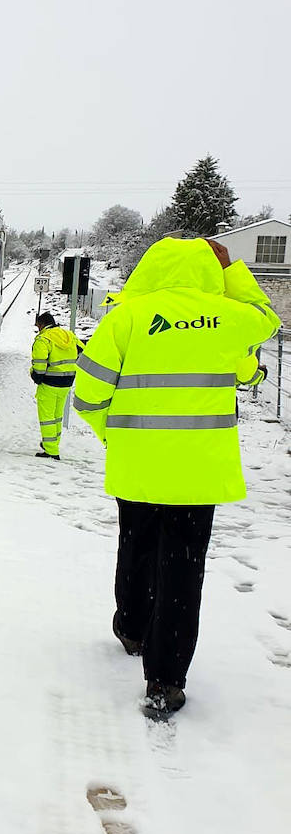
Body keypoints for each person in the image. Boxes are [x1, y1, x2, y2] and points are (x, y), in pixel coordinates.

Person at [73, 236, 280, 717]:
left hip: (139, 467)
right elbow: (266, 319)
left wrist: (117, 438)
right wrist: (231, 272)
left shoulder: (125, 318)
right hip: (198, 473)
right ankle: (165, 681)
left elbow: (86, 397)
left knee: (137, 547)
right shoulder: (228, 319)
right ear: (209, 270)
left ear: (149, 268)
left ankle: (131, 628)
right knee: (184, 571)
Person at [30, 312, 81, 459]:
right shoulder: (68, 335)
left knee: (47, 418)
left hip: (49, 384)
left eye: (37, 326)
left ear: (41, 324)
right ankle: (53, 443)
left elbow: (39, 368)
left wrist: (35, 376)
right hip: (66, 383)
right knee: (57, 416)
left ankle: (51, 450)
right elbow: (82, 351)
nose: (37, 329)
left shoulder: (43, 339)